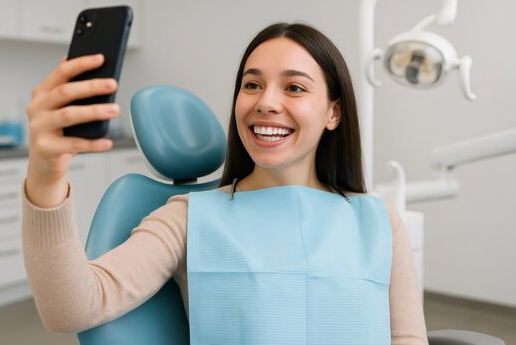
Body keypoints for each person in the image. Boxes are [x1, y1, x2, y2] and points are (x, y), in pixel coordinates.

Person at [23, 23, 428, 344]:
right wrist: (46, 176)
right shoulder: (189, 217)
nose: (265, 102)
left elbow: (407, 339)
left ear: (333, 113)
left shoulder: (378, 221)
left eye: (294, 87)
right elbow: (72, 308)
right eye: (251, 84)